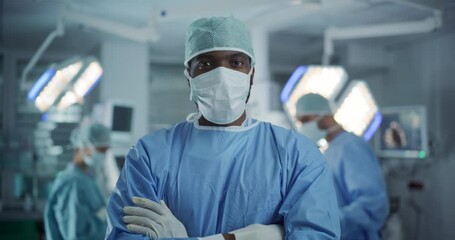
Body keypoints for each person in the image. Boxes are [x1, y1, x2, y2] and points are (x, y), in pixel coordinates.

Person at [105, 16, 340, 240]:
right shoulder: (150, 154)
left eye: (236, 62)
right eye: (206, 64)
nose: (222, 74)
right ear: (189, 78)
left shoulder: (297, 154)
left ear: (251, 74)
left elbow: (316, 234)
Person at [295, 93, 389, 240]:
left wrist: (324, 222)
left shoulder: (351, 147)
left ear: (325, 115)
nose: (303, 126)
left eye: (306, 120)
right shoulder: (331, 150)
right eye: (300, 122)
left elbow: (372, 205)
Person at [44, 123, 111, 240]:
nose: (103, 155)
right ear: (84, 146)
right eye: (100, 150)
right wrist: (103, 215)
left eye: (105, 150)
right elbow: (75, 235)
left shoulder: (86, 177)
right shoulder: (73, 183)